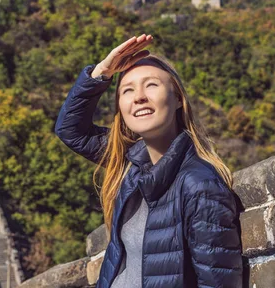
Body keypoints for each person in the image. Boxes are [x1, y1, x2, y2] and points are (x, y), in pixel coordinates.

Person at [54, 34, 243, 287]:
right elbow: (70, 130)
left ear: (177, 99)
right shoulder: (130, 163)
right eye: (127, 90)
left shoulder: (199, 186)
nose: (139, 97)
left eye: (151, 85)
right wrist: (101, 73)